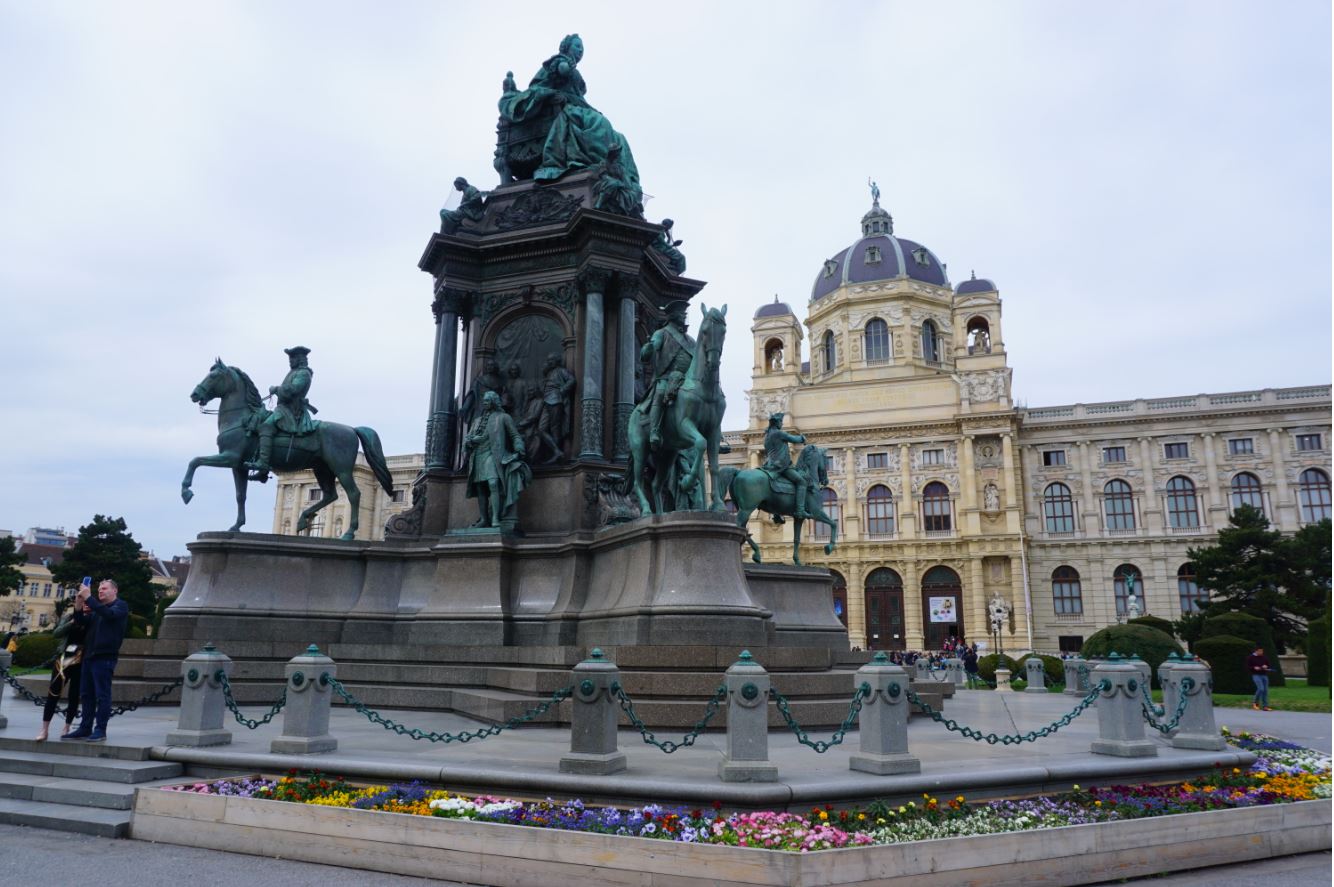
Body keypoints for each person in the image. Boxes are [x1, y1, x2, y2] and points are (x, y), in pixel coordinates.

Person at [63, 579, 129, 743]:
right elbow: (81, 622)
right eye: (99, 589)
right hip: (89, 656)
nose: (100, 591)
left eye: (104, 588)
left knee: (102, 695)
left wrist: (89, 597)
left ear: (115, 591)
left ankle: (100, 730)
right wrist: (78, 605)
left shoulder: (120, 606)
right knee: (86, 695)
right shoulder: (97, 610)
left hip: (105, 657)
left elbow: (109, 615)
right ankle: (85, 728)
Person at [247, 345, 318, 480]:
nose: (290, 361)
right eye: (290, 359)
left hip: (291, 410)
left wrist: (276, 389)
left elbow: (292, 390)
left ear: (300, 359)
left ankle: (263, 465)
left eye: (293, 358)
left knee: (266, 426)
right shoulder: (294, 372)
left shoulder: (304, 373)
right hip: (283, 408)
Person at [464, 391, 532, 528]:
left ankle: (496, 517)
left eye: (487, 400)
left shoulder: (503, 417)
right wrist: (471, 441)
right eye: (484, 400)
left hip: (494, 455)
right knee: (481, 488)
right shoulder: (477, 421)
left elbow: (515, 436)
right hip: (478, 455)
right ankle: (484, 519)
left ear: (494, 401)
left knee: (493, 483)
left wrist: (519, 449)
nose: (484, 403)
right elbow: (467, 439)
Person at [35, 602, 87, 741]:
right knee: (53, 693)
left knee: (74, 695)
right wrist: (71, 622)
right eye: (83, 603)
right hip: (63, 659)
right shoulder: (69, 617)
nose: (86, 606)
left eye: (89, 603)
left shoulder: (92, 619)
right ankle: (44, 729)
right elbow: (56, 633)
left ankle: (67, 726)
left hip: (80, 662)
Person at [761, 412, 809, 518]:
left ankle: (776, 513)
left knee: (777, 486)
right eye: (781, 422)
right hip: (781, 466)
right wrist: (803, 438)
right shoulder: (779, 433)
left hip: (769, 465)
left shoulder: (767, 436)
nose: (782, 424)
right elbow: (794, 439)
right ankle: (800, 510)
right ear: (777, 422)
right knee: (801, 482)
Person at [1246, 644, 1273, 711]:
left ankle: (1265, 706)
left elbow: (1268, 665)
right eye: (1260, 651)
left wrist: (1266, 666)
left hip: (1264, 675)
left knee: (1265, 691)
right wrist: (1254, 668)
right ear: (1256, 651)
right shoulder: (1250, 657)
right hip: (1256, 675)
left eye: (1262, 651)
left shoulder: (1264, 657)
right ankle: (1255, 703)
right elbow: (1248, 667)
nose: (1261, 652)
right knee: (1261, 689)